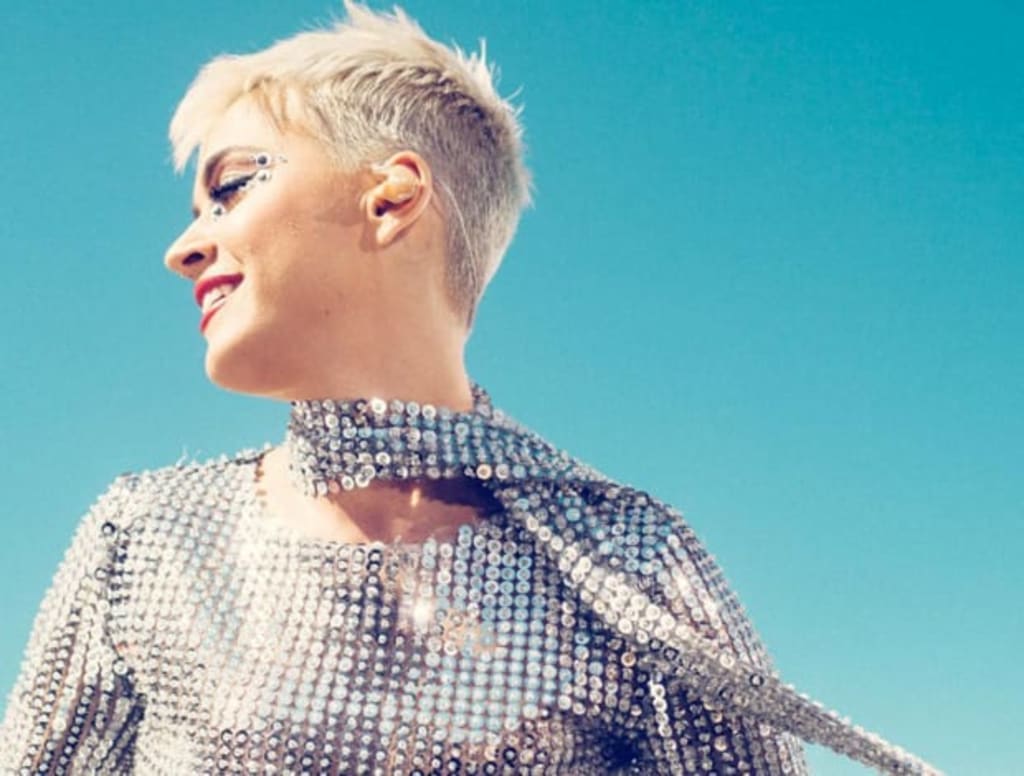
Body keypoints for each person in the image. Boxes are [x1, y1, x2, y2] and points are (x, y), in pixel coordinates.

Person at [0, 3, 941, 774]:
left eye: (233, 186)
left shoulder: (633, 564)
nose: (184, 246)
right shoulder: (147, 541)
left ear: (391, 197)